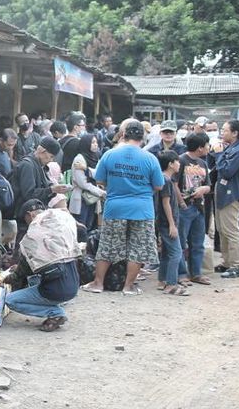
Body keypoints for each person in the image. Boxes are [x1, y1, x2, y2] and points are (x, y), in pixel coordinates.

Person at [81, 119, 164, 295]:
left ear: (123, 135)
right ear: (143, 138)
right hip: (142, 209)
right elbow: (158, 185)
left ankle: (98, 283)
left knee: (107, 246)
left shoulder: (110, 155)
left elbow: (100, 180)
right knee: (137, 248)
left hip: (115, 208)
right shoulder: (150, 158)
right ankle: (129, 286)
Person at [2, 200, 81, 331]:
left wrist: (10, 277)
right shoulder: (59, 224)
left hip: (55, 290)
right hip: (73, 284)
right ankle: (57, 307)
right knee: (34, 279)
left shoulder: (34, 234)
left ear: (30, 215)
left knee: (11, 300)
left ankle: (55, 313)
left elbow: (23, 271)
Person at [214, 120, 239, 278]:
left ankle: (237, 265)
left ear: (235, 133)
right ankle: (227, 261)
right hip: (222, 192)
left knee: (231, 230)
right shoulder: (229, 148)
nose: (222, 133)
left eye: (225, 130)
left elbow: (227, 171)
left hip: (232, 194)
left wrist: (218, 154)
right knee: (222, 230)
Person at [177, 133, 212, 285]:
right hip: (184, 208)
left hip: (199, 208)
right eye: (206, 145)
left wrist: (204, 189)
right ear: (200, 148)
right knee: (180, 242)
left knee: (198, 242)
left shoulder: (203, 163)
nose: (208, 148)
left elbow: (209, 185)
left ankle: (196, 273)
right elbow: (173, 184)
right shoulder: (180, 161)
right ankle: (181, 274)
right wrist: (182, 203)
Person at [155, 152, 187, 296]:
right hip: (167, 222)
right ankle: (171, 284)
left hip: (165, 221)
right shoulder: (166, 180)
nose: (179, 164)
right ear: (170, 164)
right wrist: (172, 224)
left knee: (167, 253)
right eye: (177, 161)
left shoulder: (164, 178)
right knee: (176, 253)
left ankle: (162, 279)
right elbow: (165, 202)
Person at [11, 137, 67, 218]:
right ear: (42, 151)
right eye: (51, 156)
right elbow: (28, 195)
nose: (51, 160)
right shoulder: (27, 165)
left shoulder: (39, 165)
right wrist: (51, 189)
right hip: (25, 214)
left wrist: (54, 189)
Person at [67, 133, 106, 232]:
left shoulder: (95, 157)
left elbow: (99, 174)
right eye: (92, 142)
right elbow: (82, 183)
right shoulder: (79, 159)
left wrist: (86, 169)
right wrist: (100, 192)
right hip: (82, 198)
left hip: (92, 198)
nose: (95, 144)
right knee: (81, 228)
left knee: (89, 227)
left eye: (96, 142)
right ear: (86, 144)